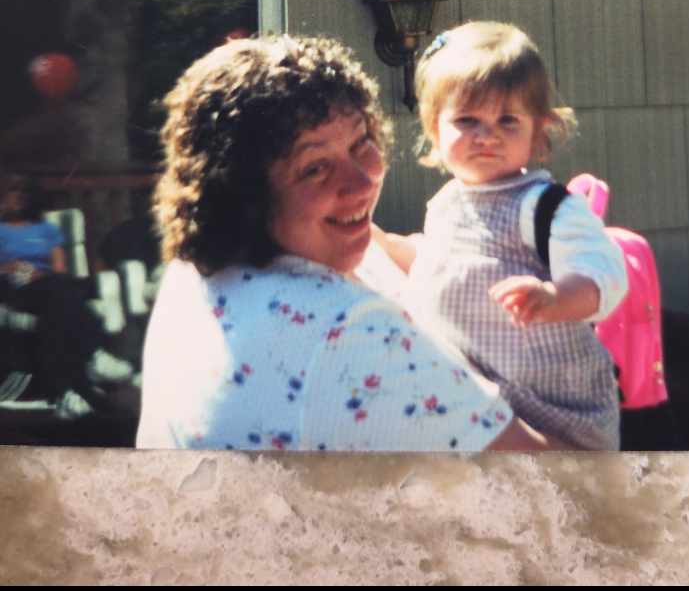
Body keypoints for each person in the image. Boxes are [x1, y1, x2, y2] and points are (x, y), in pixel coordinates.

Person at [136, 36, 559, 453]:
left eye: (361, 143)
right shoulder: (351, 336)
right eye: (315, 168)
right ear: (244, 194)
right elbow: (569, 486)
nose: (362, 181)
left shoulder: (203, 266)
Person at [370, 23, 629, 452]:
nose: (486, 134)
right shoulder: (448, 201)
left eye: (507, 120)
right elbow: (434, 258)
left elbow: (603, 269)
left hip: (556, 408)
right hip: (484, 403)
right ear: (435, 127)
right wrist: (378, 242)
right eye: (467, 120)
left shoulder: (544, 206)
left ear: (539, 127)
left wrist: (556, 297)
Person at [0, 172, 127, 418]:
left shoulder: (47, 229)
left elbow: (61, 269)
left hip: (47, 287)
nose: (19, 196)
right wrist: (11, 267)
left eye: (23, 191)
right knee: (61, 295)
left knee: (57, 310)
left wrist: (38, 274)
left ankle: (66, 394)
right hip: (11, 288)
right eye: (12, 190)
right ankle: (94, 357)